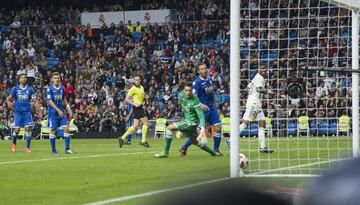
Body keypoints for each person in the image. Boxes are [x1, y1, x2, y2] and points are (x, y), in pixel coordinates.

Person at [154, 82, 220, 158]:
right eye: (186, 90)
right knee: (194, 141)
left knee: (169, 128)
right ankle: (213, 153)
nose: (188, 92)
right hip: (189, 122)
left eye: (190, 90)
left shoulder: (195, 100)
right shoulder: (181, 95)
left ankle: (165, 152)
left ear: (192, 90)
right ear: (183, 90)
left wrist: (202, 128)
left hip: (191, 122)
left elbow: (201, 115)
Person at [180, 63, 223, 156]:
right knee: (198, 133)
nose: (204, 70)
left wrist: (215, 106)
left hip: (212, 109)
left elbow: (211, 94)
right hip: (202, 111)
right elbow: (192, 98)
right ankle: (184, 147)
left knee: (218, 128)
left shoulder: (209, 79)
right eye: (202, 69)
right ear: (199, 71)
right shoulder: (196, 83)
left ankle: (216, 150)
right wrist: (201, 104)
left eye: (205, 68)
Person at [233, 69, 273, 153]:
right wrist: (268, 92)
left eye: (266, 71)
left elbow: (248, 88)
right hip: (254, 103)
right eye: (264, 71)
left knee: (262, 122)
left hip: (256, 103)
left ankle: (263, 147)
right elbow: (258, 89)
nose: (266, 72)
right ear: (260, 71)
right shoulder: (259, 77)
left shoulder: (255, 78)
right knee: (246, 122)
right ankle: (231, 139)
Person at [7, 73, 40, 153]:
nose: (24, 79)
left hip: (27, 112)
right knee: (17, 130)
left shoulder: (30, 89)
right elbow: (9, 98)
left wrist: (37, 109)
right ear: (19, 79)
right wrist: (8, 102)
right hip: (18, 112)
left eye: (25, 77)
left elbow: (34, 100)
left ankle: (27, 148)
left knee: (27, 129)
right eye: (22, 77)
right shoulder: (15, 89)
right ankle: (14, 144)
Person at [46, 72, 76, 154]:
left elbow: (64, 99)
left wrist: (68, 107)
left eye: (58, 78)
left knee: (66, 128)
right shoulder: (49, 89)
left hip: (62, 112)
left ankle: (67, 149)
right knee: (53, 130)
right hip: (53, 113)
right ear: (52, 79)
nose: (57, 79)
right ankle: (54, 150)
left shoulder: (62, 88)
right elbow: (50, 102)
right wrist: (58, 110)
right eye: (55, 78)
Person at [118, 75, 150, 148]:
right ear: (134, 81)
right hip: (137, 108)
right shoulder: (133, 89)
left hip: (140, 107)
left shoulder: (142, 87)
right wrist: (134, 104)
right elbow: (126, 99)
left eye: (138, 79)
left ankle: (122, 138)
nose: (137, 81)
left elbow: (142, 96)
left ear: (140, 80)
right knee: (145, 122)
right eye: (135, 80)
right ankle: (143, 141)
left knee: (135, 126)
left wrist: (145, 98)